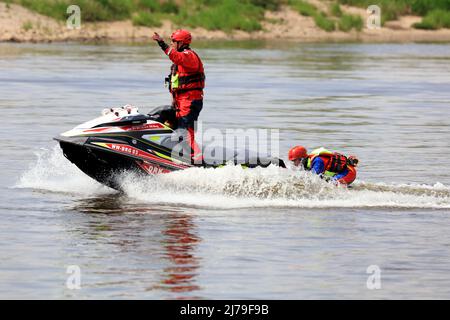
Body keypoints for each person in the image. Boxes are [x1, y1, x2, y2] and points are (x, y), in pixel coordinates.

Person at [152, 29, 205, 163]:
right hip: (180, 102)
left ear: (182, 43)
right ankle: (162, 153)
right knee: (164, 119)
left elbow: (175, 56)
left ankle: (198, 162)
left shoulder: (189, 56)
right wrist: (174, 101)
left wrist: (162, 44)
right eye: (171, 41)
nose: (172, 43)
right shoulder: (178, 64)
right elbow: (175, 85)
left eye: (174, 41)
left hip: (190, 101)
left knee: (186, 133)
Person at [288, 146, 359, 185]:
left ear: (301, 158)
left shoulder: (317, 162)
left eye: (294, 160)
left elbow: (314, 180)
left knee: (331, 185)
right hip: (342, 172)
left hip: (349, 173)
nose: (294, 163)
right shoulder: (307, 162)